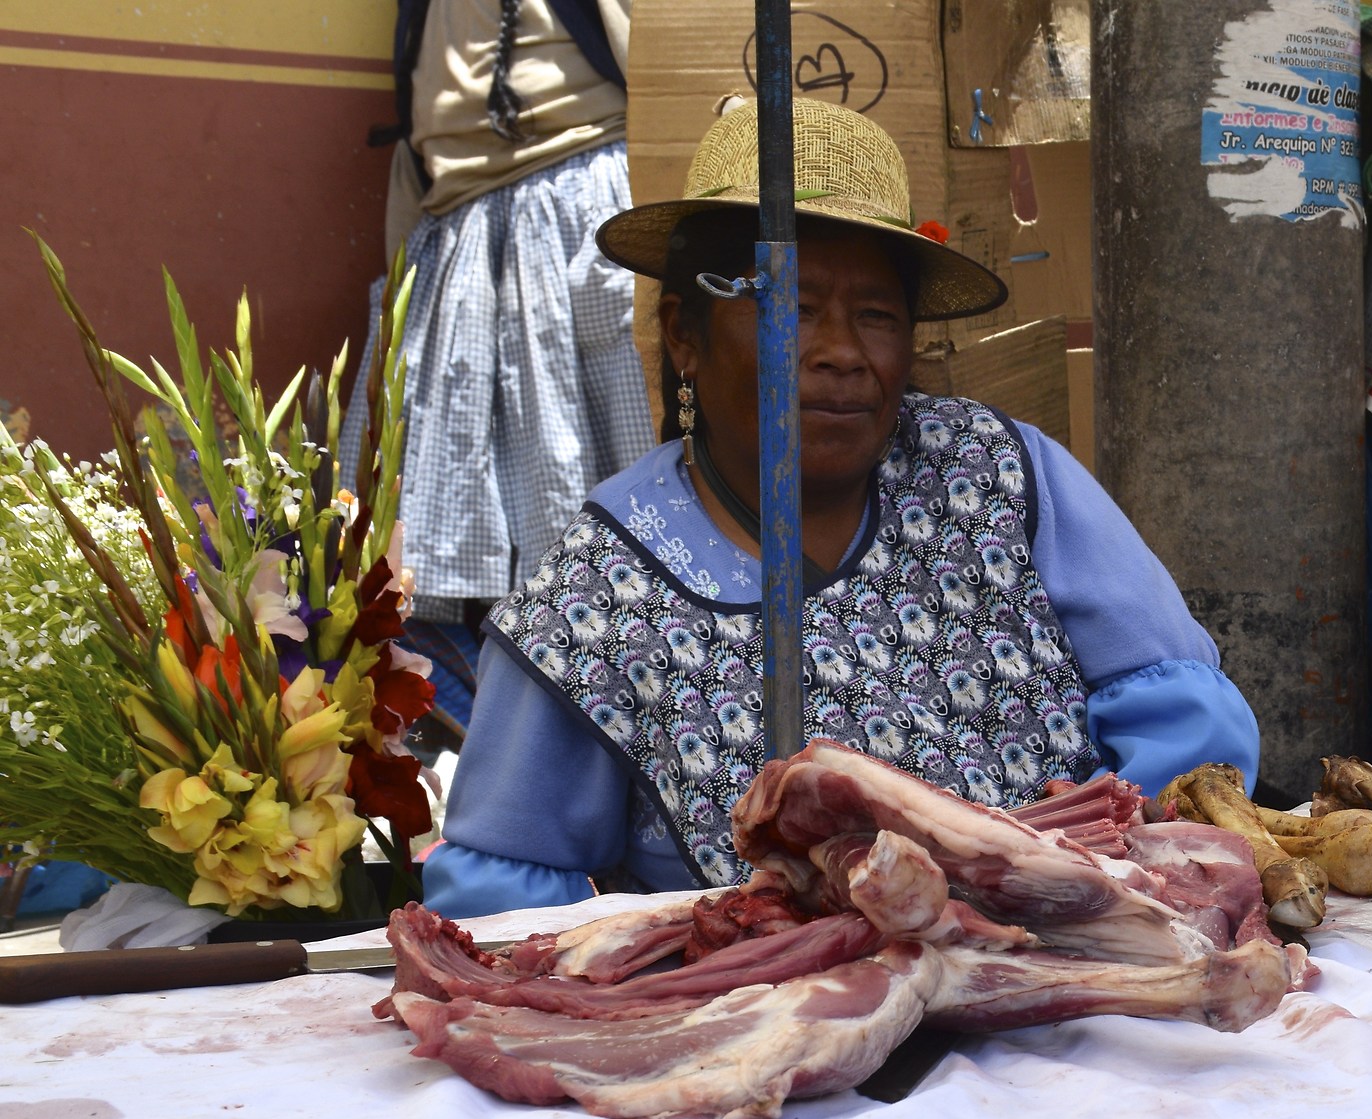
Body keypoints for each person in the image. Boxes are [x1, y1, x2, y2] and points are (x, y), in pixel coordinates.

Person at [423, 98, 1260, 915]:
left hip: (1068, 980)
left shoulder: (998, 471)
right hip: (790, 1021)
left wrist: (1096, 904)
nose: (841, 355)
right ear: (684, 333)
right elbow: (504, 898)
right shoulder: (596, 592)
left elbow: (1190, 737)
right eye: (790, 306)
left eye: (877, 317)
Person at [346, 0, 653, 732]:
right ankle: (494, 754)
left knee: (613, 541)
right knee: (412, 557)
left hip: (589, 213)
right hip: (456, 237)